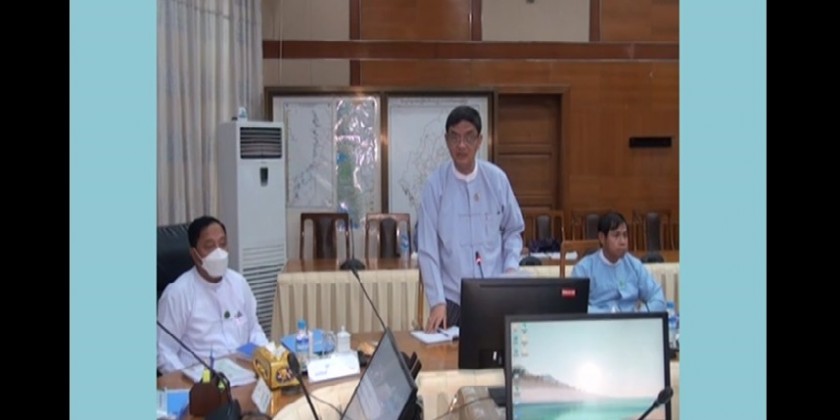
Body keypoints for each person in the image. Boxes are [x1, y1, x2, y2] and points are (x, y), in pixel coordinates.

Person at [417, 105, 525, 332]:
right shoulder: (435, 186)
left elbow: (513, 230)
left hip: (495, 295)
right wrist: (437, 301)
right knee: (448, 354)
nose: (461, 145)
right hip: (452, 300)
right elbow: (428, 249)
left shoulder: (496, 180)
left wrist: (510, 270)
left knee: (497, 352)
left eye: (469, 137)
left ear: (479, 141)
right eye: (455, 137)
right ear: (446, 140)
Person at [157, 215, 269, 374]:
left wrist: (267, 359)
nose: (218, 251)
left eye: (222, 244)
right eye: (209, 246)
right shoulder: (177, 294)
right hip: (202, 379)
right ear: (194, 254)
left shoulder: (239, 283)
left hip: (244, 373)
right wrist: (189, 382)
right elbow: (164, 351)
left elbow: (254, 330)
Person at [571, 211, 667, 313]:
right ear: (602, 238)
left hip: (631, 320)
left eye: (625, 235)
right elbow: (575, 306)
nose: (622, 241)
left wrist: (640, 314)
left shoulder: (634, 266)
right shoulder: (584, 269)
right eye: (616, 235)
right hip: (600, 321)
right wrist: (606, 316)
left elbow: (658, 298)